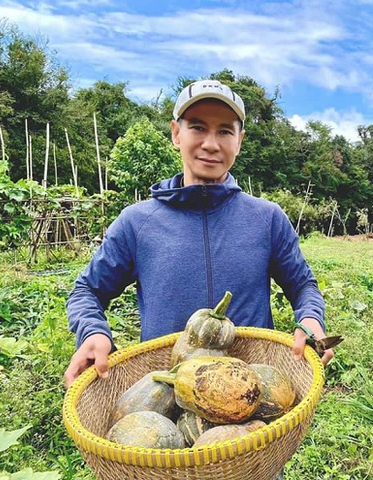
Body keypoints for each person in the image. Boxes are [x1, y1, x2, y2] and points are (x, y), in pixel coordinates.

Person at [63, 79, 332, 390]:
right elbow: (87, 291)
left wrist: (311, 319)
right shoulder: (137, 223)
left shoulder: (267, 218)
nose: (211, 143)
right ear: (176, 133)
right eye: (198, 127)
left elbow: (303, 285)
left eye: (225, 131)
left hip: (251, 394)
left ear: (240, 141)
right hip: (167, 395)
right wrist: (93, 332)